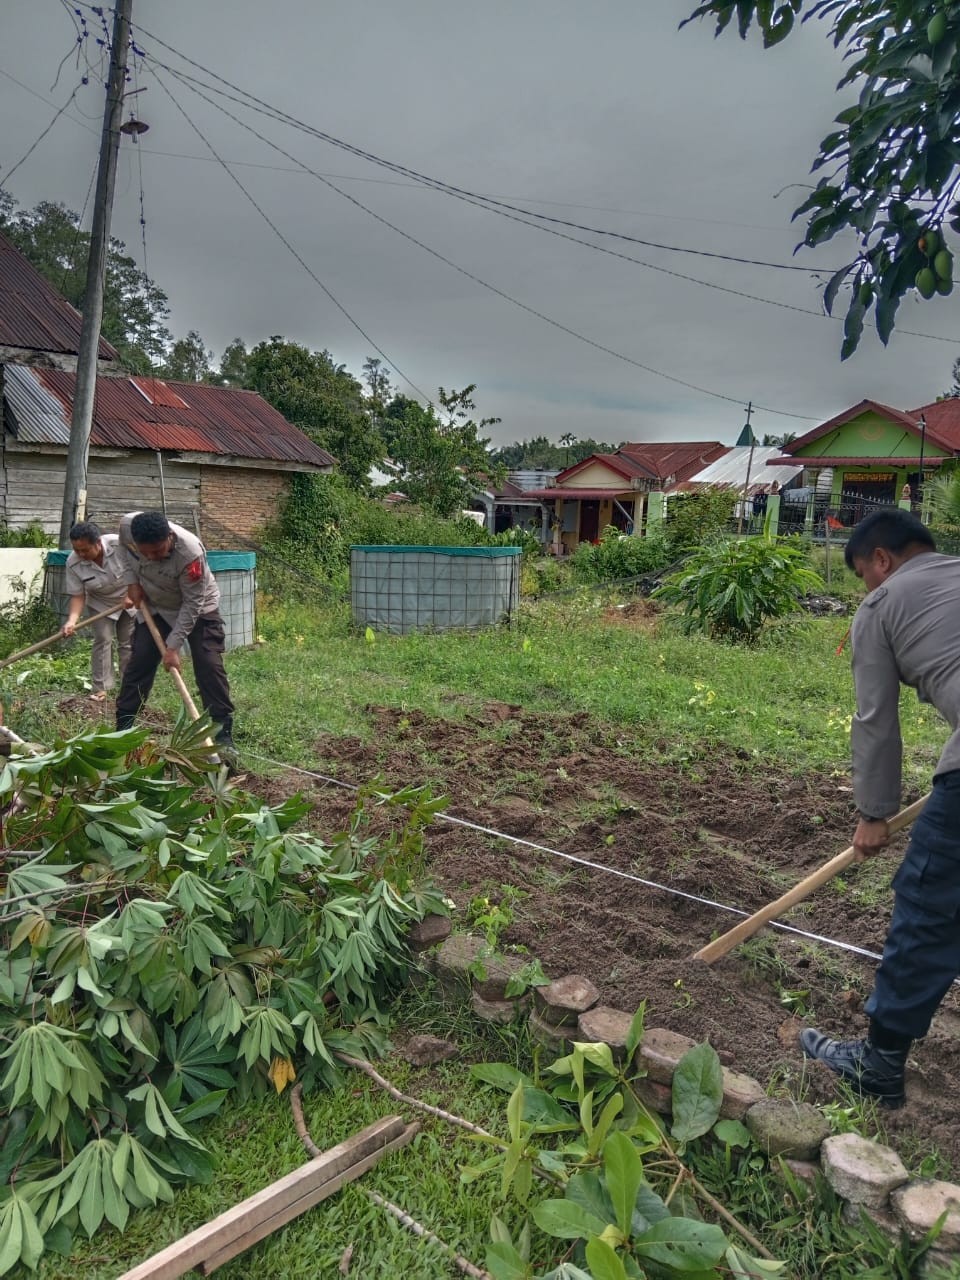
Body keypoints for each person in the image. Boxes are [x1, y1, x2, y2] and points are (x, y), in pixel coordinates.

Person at [800, 508, 960, 1108]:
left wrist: (873, 812)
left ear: (882, 560)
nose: (867, 587)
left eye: (863, 573)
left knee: (930, 908)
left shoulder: (883, 602)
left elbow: (874, 718)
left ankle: (879, 1064)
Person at [115, 511, 235, 751]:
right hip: (156, 606)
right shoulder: (127, 527)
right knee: (139, 663)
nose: (151, 557)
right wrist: (132, 582)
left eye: (157, 551)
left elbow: (192, 604)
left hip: (198, 608)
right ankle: (123, 728)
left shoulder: (190, 553)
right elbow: (123, 552)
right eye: (145, 552)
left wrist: (172, 647)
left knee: (208, 664)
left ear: (170, 537)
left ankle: (222, 734)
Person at [62, 520, 135, 702]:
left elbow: (139, 569)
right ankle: (101, 688)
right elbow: (78, 595)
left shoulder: (119, 545)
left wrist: (133, 593)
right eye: (76, 549)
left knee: (127, 643)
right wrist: (72, 620)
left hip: (128, 596)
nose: (80, 554)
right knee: (103, 639)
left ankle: (130, 687)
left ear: (97, 543)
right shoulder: (73, 563)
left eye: (85, 550)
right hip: (100, 602)